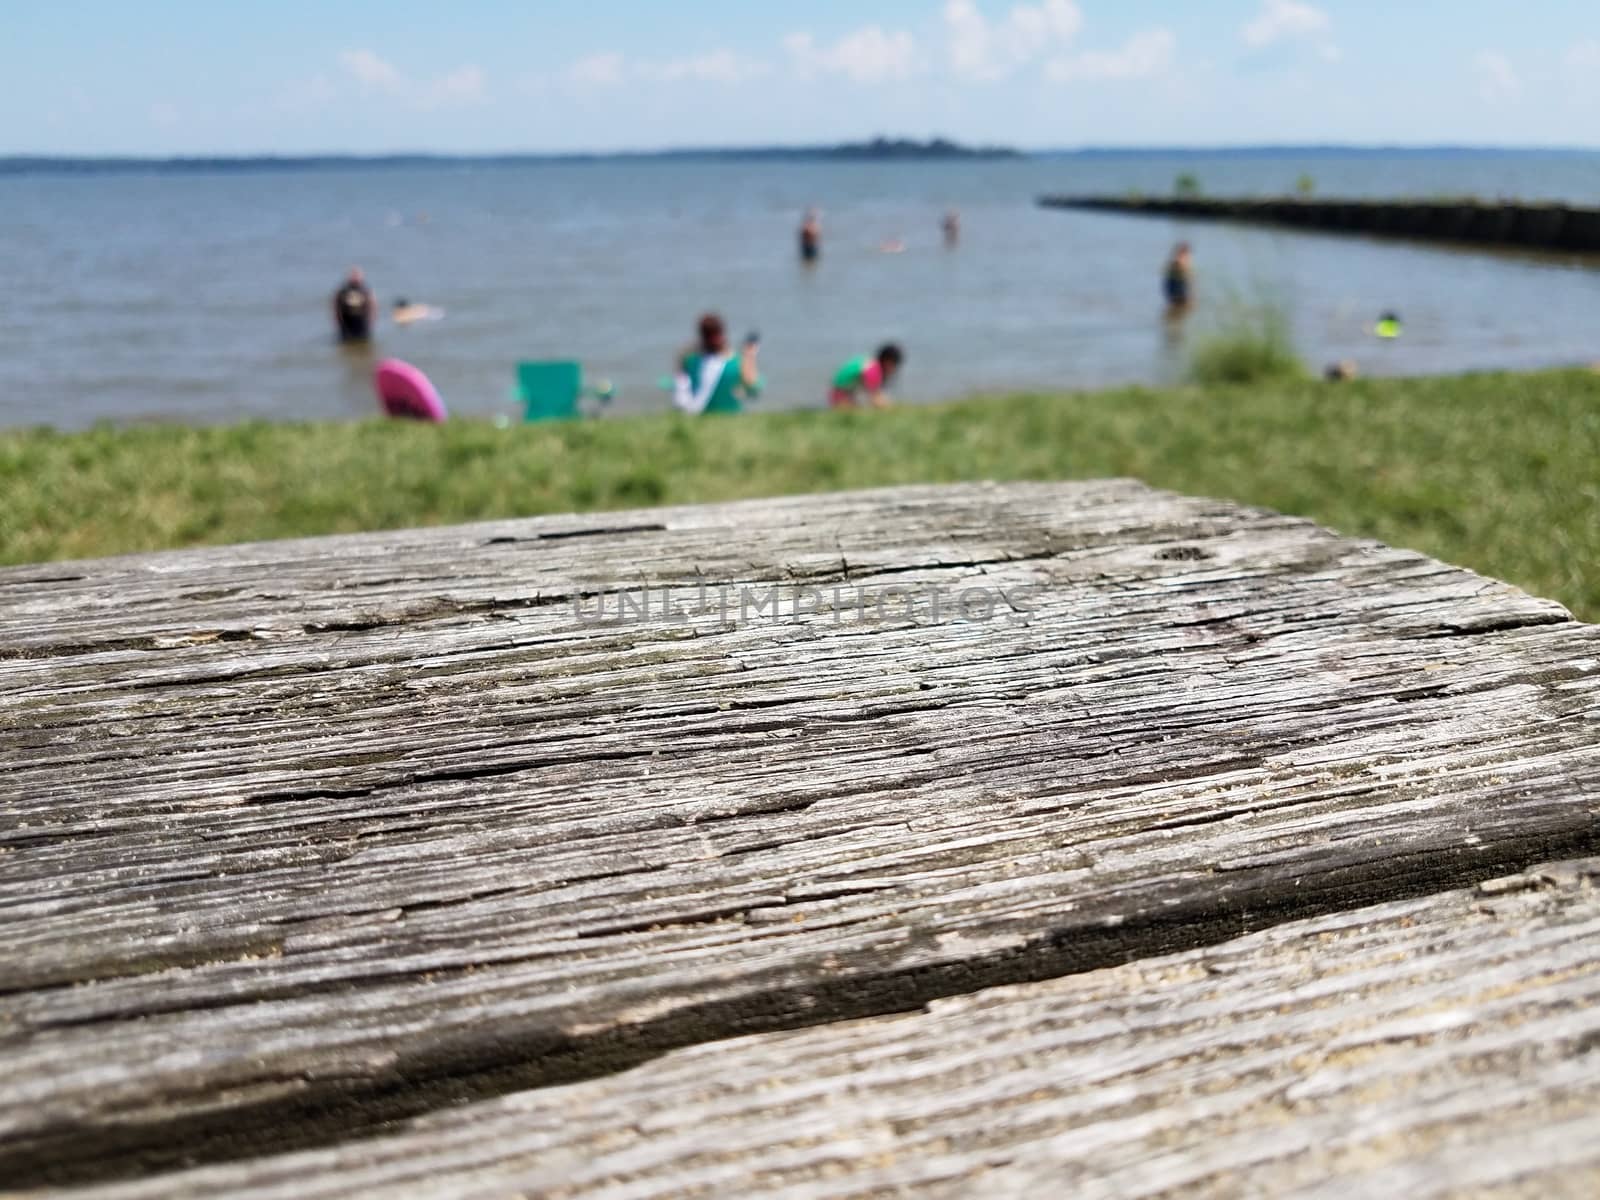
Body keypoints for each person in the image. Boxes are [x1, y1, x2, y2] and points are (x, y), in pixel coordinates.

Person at [673, 314, 761, 415]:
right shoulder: (735, 363)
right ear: (722, 333)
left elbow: (680, 378)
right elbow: (753, 387)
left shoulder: (690, 360)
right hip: (731, 413)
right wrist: (749, 355)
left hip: (697, 413)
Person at [830, 344, 904, 410]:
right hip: (841, 393)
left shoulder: (871, 363)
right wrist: (890, 408)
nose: (894, 370)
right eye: (894, 365)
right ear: (888, 362)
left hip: (842, 391)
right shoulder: (874, 371)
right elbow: (875, 398)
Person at [333, 268, 375, 343]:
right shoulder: (343, 290)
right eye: (353, 276)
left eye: (357, 276)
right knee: (346, 342)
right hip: (347, 322)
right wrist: (338, 321)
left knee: (364, 342)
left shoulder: (365, 290)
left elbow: (373, 306)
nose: (355, 278)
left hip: (362, 322)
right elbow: (336, 306)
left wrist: (371, 320)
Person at [1163, 244, 1194, 310]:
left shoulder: (1175, 263)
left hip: (1175, 292)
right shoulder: (1178, 263)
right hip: (1178, 293)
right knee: (1180, 309)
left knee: (1177, 309)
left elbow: (1167, 282)